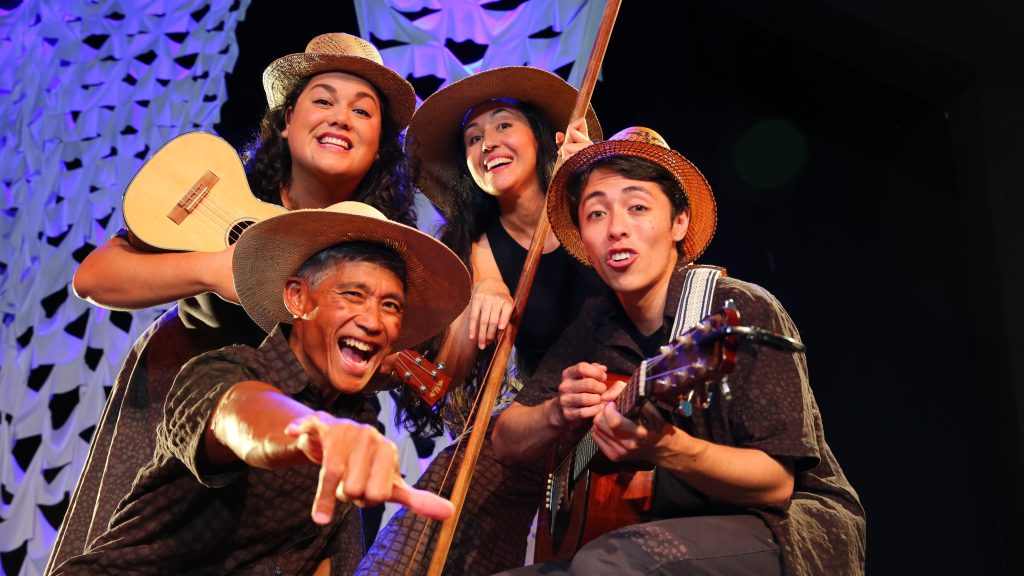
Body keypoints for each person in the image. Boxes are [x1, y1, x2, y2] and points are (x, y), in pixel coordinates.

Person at [48, 32, 418, 571]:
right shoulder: (219, 197)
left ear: (380, 144)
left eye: (362, 111)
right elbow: (95, 276)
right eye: (323, 100)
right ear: (286, 123)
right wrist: (215, 269)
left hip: (302, 443)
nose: (341, 117)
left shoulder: (381, 251)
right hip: (185, 408)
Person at [490, 127, 867, 575]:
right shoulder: (593, 326)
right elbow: (505, 439)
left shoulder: (738, 309)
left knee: (606, 565)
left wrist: (666, 448)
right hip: (662, 528)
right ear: (584, 243)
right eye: (595, 214)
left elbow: (775, 482)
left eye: (637, 207)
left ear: (679, 223)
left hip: (784, 528)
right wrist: (557, 412)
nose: (616, 229)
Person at [50, 201, 472, 574]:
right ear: (298, 299)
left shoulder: (356, 419)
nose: (374, 321)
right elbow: (241, 417)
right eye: (352, 294)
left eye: (390, 305)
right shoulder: (223, 370)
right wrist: (310, 432)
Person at [356, 67, 606, 575]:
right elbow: (443, 384)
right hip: (545, 418)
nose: (487, 143)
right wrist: (475, 302)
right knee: (452, 490)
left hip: (623, 391)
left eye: (502, 126)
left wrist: (595, 178)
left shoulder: (595, 204)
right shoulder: (474, 247)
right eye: (473, 137)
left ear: (542, 139)